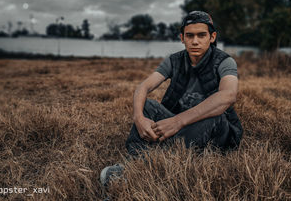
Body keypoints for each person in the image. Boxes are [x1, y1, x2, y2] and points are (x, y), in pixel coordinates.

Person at [100, 11, 243, 186]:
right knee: (147, 105)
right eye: (189, 35)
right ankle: (133, 165)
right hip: (178, 129)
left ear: (212, 37)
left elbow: (228, 95)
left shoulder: (224, 61)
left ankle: (147, 165)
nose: (195, 41)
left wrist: (178, 121)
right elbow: (143, 87)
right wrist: (139, 118)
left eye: (201, 35)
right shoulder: (174, 60)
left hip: (214, 130)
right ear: (182, 38)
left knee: (216, 116)